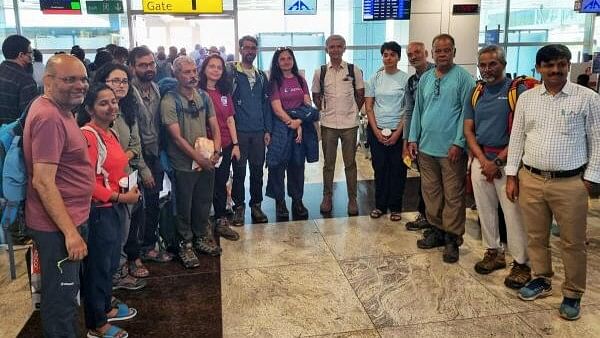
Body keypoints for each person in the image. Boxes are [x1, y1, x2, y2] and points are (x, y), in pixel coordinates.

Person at [506, 44, 600, 320]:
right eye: (549, 65)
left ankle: (572, 293)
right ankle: (542, 278)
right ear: (539, 68)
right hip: (531, 178)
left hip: (570, 182)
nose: (556, 70)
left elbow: (598, 141)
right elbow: (517, 138)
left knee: (573, 242)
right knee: (536, 236)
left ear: (569, 65)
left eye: (561, 64)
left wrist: (589, 181)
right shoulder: (527, 98)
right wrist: (512, 175)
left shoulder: (587, 98)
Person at [23, 54, 93, 337]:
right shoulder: (49, 117)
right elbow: (43, 181)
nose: (80, 85)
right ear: (48, 81)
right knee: (61, 299)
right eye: (70, 79)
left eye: (83, 79)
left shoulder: (59, 110)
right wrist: (70, 233)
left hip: (68, 220)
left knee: (66, 294)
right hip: (57, 227)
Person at [463, 45, 531, 289]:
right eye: (483, 65)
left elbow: (522, 132)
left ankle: (522, 263)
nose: (487, 69)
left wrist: (499, 162)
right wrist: (482, 160)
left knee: (512, 214)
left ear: (503, 64)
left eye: (493, 64)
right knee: (485, 210)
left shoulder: (517, 91)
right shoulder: (476, 92)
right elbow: (468, 129)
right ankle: (494, 251)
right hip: (481, 160)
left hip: (508, 163)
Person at [79, 83, 140, 338]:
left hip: (115, 207)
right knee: (98, 267)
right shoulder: (89, 136)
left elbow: (115, 166)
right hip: (100, 210)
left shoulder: (110, 132)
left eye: (113, 101)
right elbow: (87, 182)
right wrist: (118, 195)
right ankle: (97, 323)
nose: (111, 107)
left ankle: (105, 307)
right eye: (103, 103)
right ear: (90, 108)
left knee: (110, 262)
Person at [408, 34, 475, 263]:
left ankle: (452, 239)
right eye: (438, 50)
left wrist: (459, 142)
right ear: (433, 53)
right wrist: (412, 138)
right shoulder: (426, 78)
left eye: (447, 50)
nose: (442, 54)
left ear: (454, 52)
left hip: (451, 151)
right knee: (431, 194)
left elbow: (467, 115)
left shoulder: (465, 79)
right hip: (426, 149)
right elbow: (417, 110)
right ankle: (436, 231)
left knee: (454, 196)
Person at [91, 63, 149, 288]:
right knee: (112, 233)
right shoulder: (96, 118)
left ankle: (120, 269)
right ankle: (114, 276)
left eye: (124, 81)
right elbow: (100, 158)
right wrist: (119, 159)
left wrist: (121, 159)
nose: (121, 85)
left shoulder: (127, 109)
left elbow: (136, 143)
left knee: (126, 227)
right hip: (106, 185)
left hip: (126, 176)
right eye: (115, 81)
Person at [161, 55, 222, 268]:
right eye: (186, 72)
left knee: (203, 201)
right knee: (184, 206)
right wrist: (199, 159)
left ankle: (200, 237)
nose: (192, 75)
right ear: (176, 74)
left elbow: (214, 126)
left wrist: (216, 151)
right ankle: (184, 243)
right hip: (183, 164)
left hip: (206, 161)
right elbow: (176, 138)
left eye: (194, 71)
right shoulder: (170, 101)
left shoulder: (203, 96)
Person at [128, 46, 173, 263]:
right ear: (132, 67)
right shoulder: (128, 93)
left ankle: (148, 244)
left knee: (153, 201)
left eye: (151, 64)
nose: (149, 68)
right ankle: (134, 252)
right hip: (136, 156)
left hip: (154, 153)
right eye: (142, 65)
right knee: (136, 206)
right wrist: (142, 165)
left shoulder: (156, 88)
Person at [311, 34, 365, 216]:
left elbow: (360, 95)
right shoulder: (320, 71)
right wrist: (324, 110)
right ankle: (327, 197)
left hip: (350, 125)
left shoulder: (353, 69)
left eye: (338, 46)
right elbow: (316, 96)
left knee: (350, 163)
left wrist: (352, 112)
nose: (335, 49)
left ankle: (352, 199)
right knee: (329, 164)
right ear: (326, 50)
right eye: (331, 47)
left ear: (344, 48)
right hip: (328, 125)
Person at [266, 47, 318, 220]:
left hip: (299, 126)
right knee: (278, 166)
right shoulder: (274, 82)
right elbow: (276, 108)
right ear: (277, 62)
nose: (286, 61)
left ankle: (297, 200)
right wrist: (292, 123)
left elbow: (308, 104)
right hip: (281, 128)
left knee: (297, 166)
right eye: (282, 59)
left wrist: (300, 122)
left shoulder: (300, 80)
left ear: (293, 60)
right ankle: (280, 202)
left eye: (289, 58)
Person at [363, 41, 409, 221]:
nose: (388, 58)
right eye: (385, 55)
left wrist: (398, 132)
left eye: (392, 54)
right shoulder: (375, 78)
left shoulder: (405, 79)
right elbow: (369, 107)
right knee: (380, 168)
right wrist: (375, 131)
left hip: (398, 131)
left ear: (398, 57)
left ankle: (396, 206)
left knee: (398, 169)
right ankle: (380, 205)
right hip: (377, 130)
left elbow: (408, 109)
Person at [228, 35, 271, 226]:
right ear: (240, 49)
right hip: (239, 132)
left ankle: (256, 205)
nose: (250, 51)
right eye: (247, 47)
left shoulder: (262, 76)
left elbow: (266, 104)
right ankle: (239, 207)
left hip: (258, 132)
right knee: (238, 171)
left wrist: (267, 129)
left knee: (257, 171)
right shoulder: (231, 74)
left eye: (253, 48)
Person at [199, 54, 240, 241]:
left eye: (219, 67)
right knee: (204, 185)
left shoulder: (224, 92)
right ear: (204, 69)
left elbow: (230, 119)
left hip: (225, 145)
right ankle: (203, 224)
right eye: (211, 66)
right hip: (204, 148)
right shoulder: (197, 92)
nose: (215, 70)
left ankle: (221, 219)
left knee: (221, 183)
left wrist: (236, 144)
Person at [402, 41, 434, 231]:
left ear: (426, 53)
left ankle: (440, 224)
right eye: (410, 54)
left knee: (442, 185)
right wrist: (407, 141)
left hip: (441, 140)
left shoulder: (439, 75)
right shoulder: (412, 81)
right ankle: (426, 217)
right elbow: (409, 111)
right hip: (420, 139)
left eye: (417, 52)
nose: (413, 56)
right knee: (426, 181)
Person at [0, 34, 38, 125]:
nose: (32, 56)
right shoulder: (25, 80)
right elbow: (30, 117)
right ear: (21, 55)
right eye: (30, 53)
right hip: (13, 135)